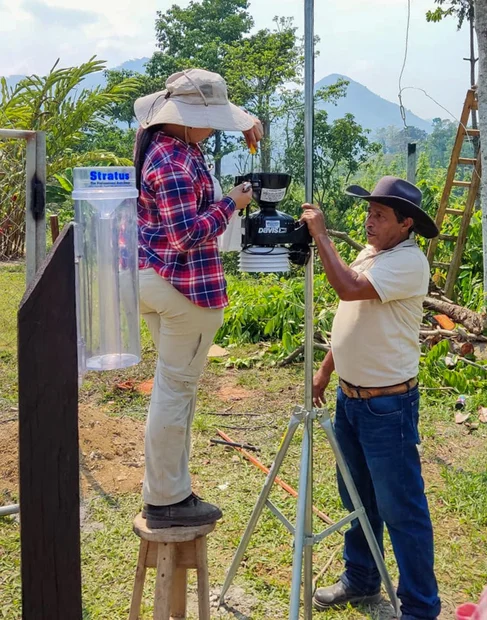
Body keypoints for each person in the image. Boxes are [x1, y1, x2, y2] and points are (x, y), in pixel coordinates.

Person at [300, 176, 441, 620]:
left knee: (401, 507)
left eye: (379, 215)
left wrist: (321, 234)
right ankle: (361, 578)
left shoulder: (409, 263)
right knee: (357, 497)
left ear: (405, 224)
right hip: (352, 401)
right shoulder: (375, 253)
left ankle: (419, 607)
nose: (368, 221)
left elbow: (347, 288)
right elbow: (352, 315)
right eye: (368, 212)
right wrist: (326, 370)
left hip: (387, 407)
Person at [133, 68, 263, 529]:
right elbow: (185, 235)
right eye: (212, 118)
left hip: (156, 278)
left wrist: (245, 122)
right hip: (184, 285)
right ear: (186, 118)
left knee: (174, 387)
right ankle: (166, 497)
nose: (216, 127)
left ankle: (173, 486)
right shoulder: (171, 161)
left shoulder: (166, 145)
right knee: (175, 390)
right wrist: (231, 204)